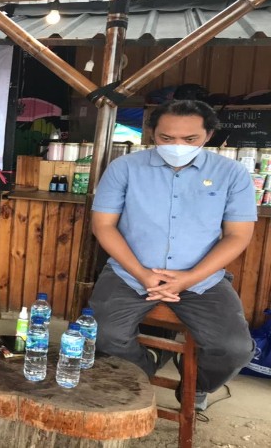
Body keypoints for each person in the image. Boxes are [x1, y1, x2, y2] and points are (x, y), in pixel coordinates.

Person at [89, 100, 256, 412]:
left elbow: (238, 235)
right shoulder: (124, 168)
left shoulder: (231, 173)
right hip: (130, 273)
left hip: (202, 279)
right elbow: (103, 226)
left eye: (190, 139)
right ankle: (144, 371)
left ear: (208, 136)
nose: (177, 146)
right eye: (166, 138)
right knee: (103, 336)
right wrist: (141, 273)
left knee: (234, 349)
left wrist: (189, 278)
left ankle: (196, 385)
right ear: (152, 133)